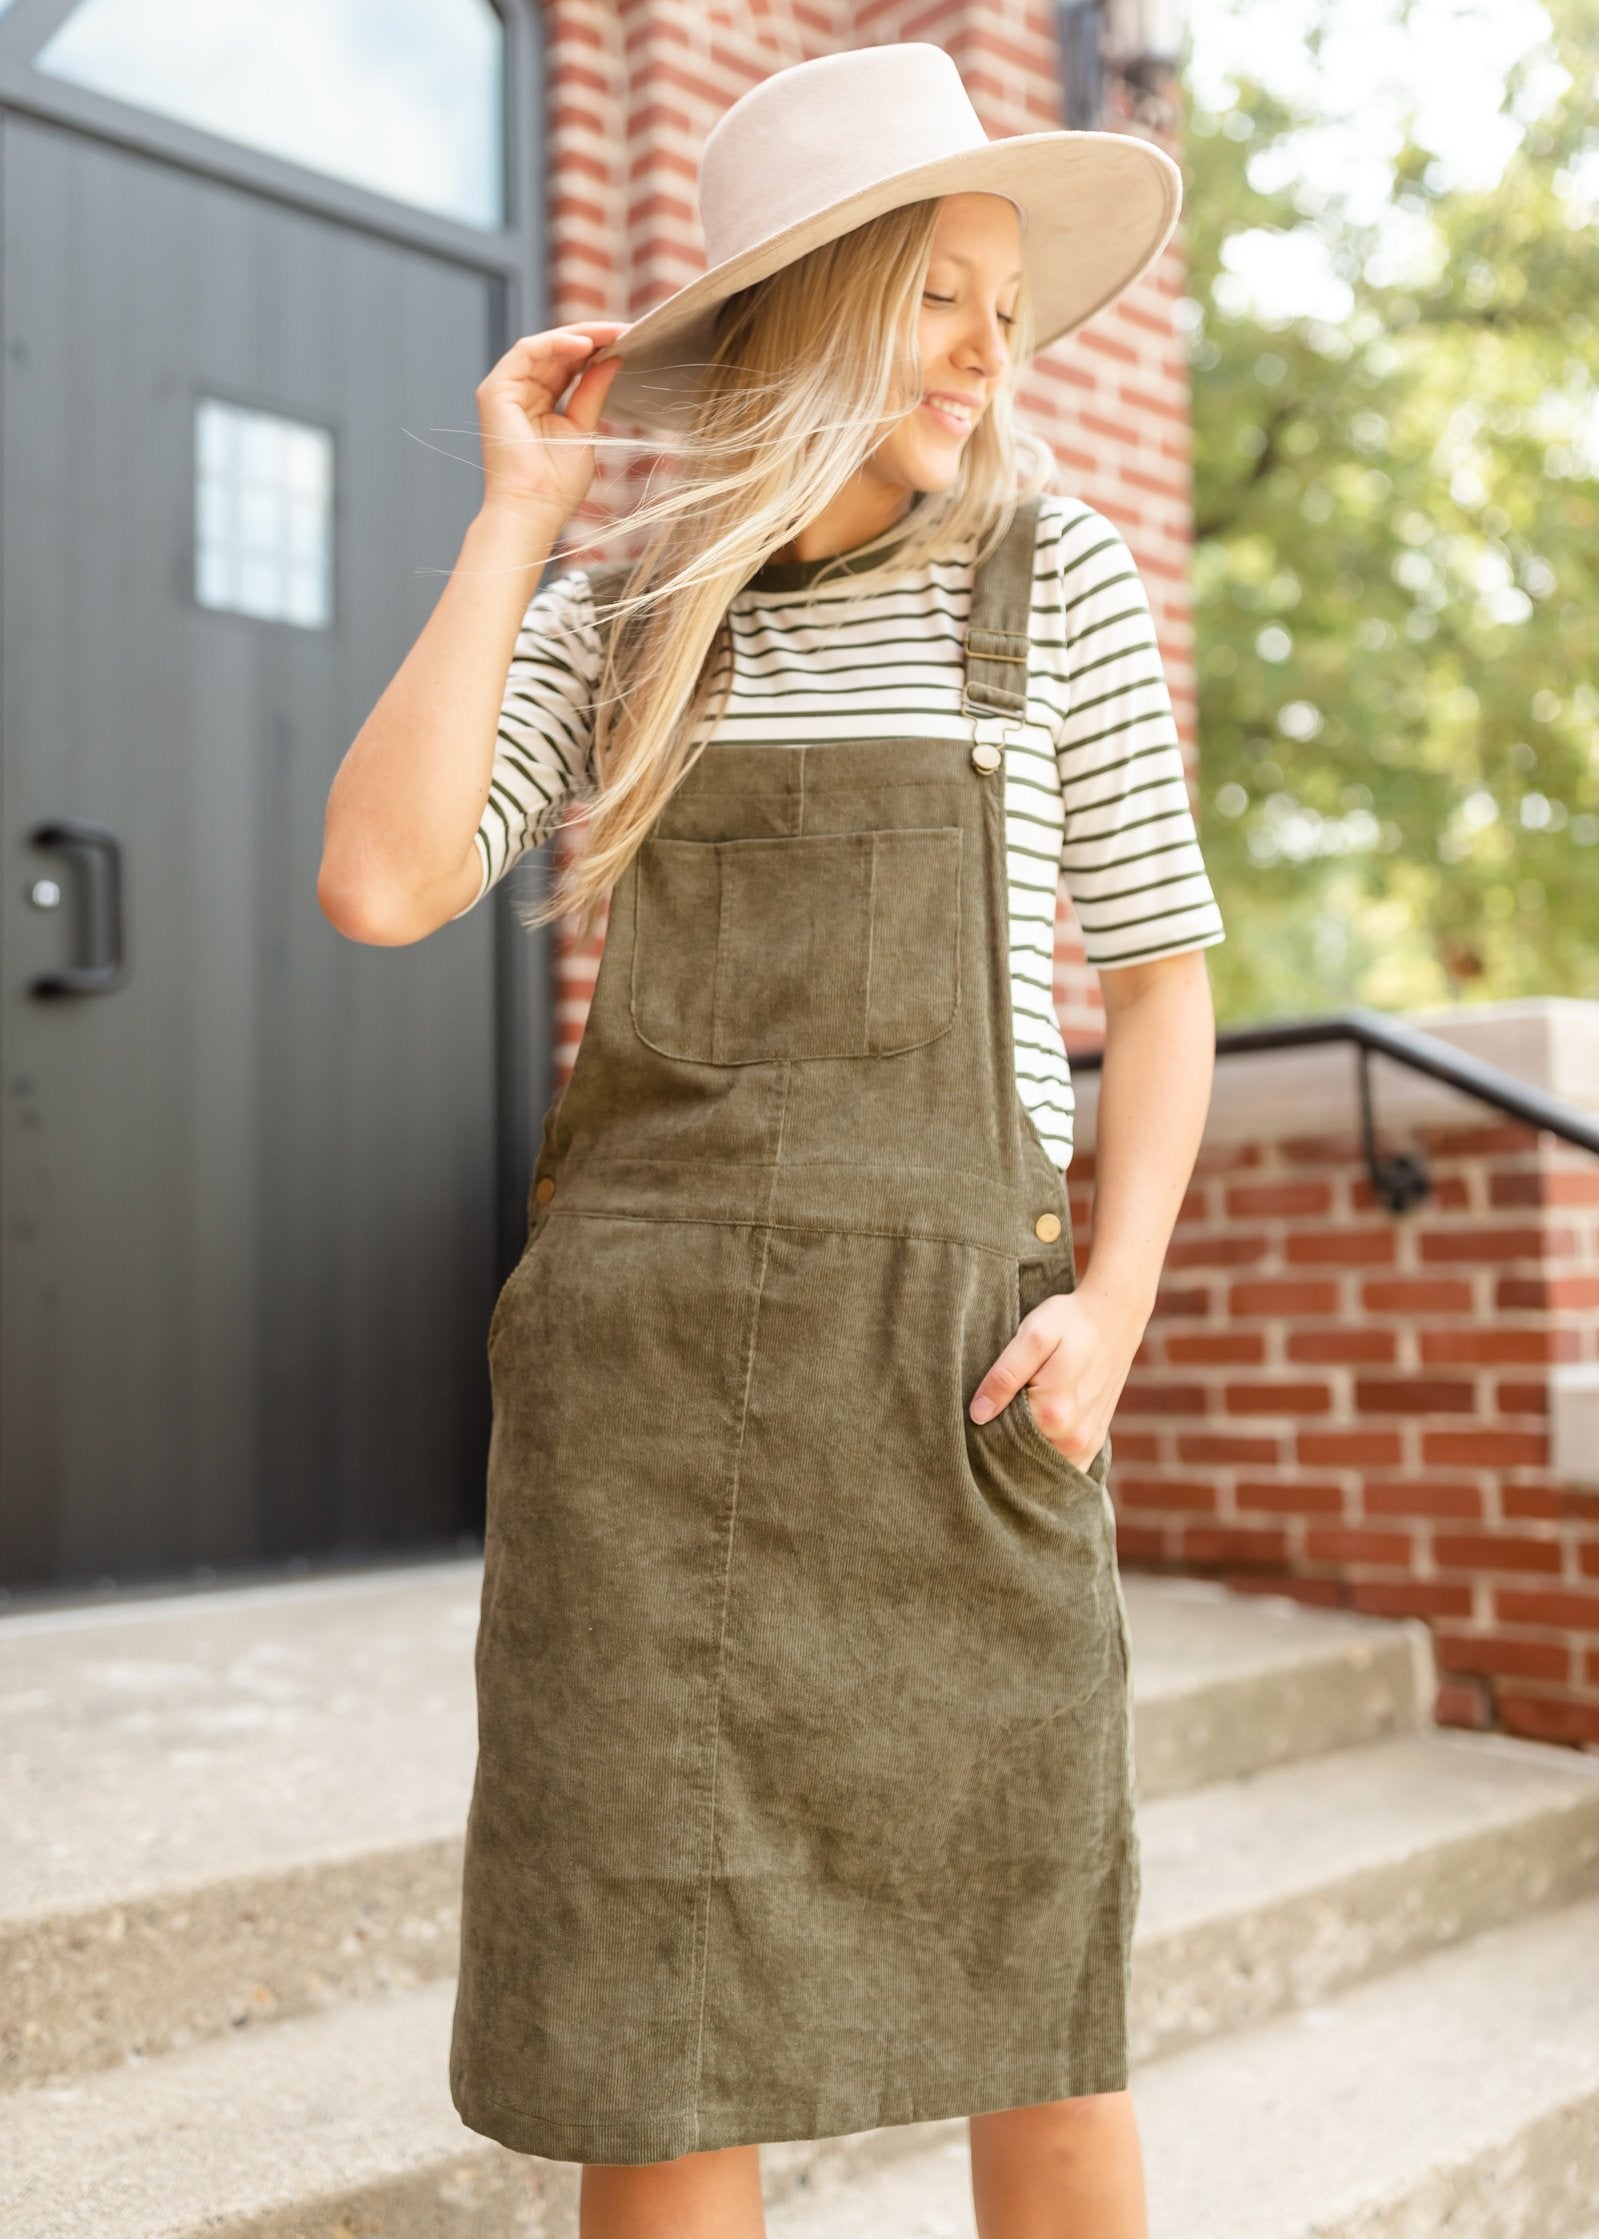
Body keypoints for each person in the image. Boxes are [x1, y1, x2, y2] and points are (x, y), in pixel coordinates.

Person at [320, 42, 1224, 2239]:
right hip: (645, 1429)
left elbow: (1162, 978)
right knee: (661, 2032)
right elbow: (378, 876)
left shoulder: (1055, 581)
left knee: (1041, 2001)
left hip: (957, 1393)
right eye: (937, 293)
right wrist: (520, 521)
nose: (986, 354)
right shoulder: (639, 617)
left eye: (1006, 308)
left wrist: (1105, 1314)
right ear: (811, 303)